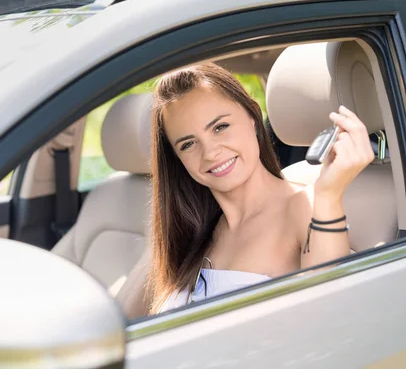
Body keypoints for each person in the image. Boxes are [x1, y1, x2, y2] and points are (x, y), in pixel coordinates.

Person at [148, 63, 374, 314]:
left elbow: (331, 313)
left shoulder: (308, 207)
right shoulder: (189, 230)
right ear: (177, 159)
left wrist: (329, 194)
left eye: (220, 127)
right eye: (188, 144)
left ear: (253, 118)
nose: (210, 153)